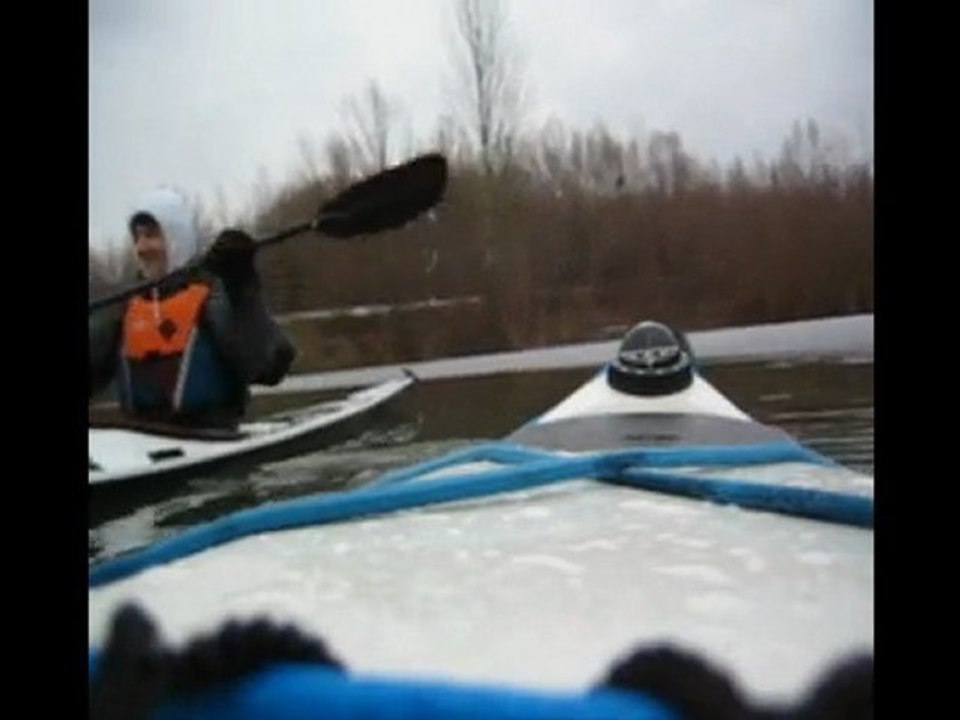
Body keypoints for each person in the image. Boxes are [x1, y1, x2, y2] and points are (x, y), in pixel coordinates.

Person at [89, 186, 296, 429]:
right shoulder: (124, 309)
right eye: (137, 237)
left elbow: (270, 368)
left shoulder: (213, 296)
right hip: (140, 438)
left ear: (176, 238)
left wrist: (242, 288)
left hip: (213, 436)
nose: (142, 248)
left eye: (152, 235)